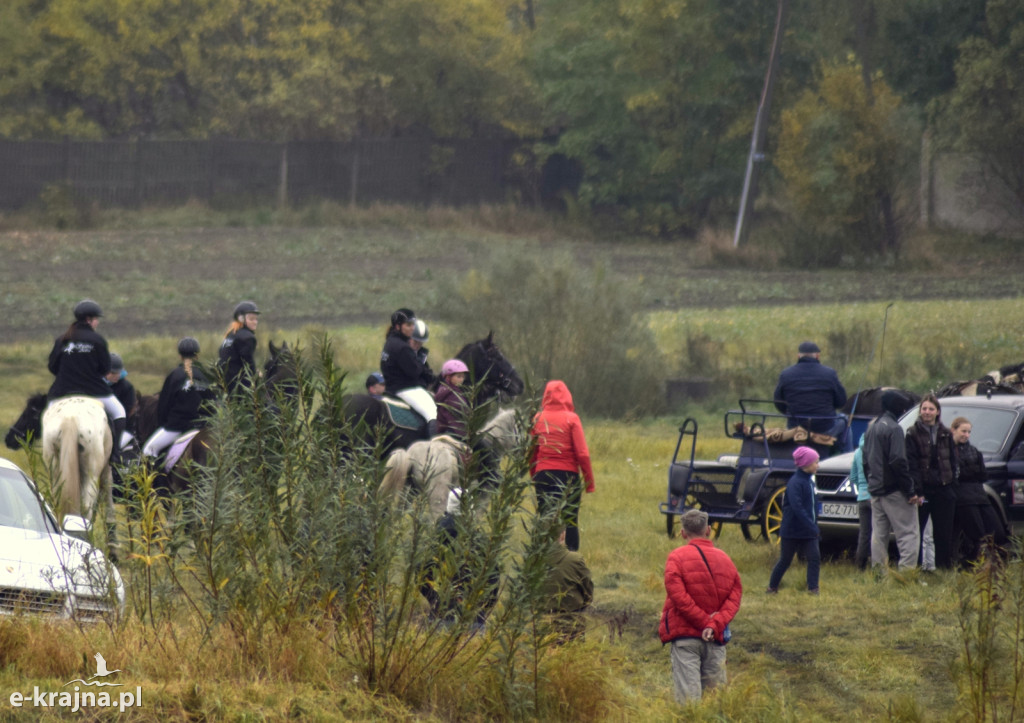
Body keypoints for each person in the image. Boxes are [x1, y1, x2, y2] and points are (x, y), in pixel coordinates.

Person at [658, 509, 743, 704]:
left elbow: (678, 597)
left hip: (685, 637)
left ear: (683, 533)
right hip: (715, 638)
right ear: (708, 530)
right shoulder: (725, 559)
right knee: (716, 703)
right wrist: (713, 625)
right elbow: (735, 596)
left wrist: (705, 623)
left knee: (689, 703)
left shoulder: (676, 557)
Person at [47, 299, 128, 464]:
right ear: (90, 319)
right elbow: (105, 369)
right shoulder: (97, 340)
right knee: (119, 412)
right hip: (94, 390)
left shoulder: (62, 339)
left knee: (48, 416)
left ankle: (48, 451)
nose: (97, 322)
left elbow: (52, 367)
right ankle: (115, 453)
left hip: (62, 391)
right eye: (97, 319)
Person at [419, 488, 499, 630]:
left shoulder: (437, 537)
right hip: (474, 620)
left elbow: (421, 571)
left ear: (449, 506)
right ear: (471, 509)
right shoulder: (479, 538)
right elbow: (493, 576)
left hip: (441, 616)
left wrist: (433, 599)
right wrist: (483, 607)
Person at [529, 380, 595, 551]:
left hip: (543, 475)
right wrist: (589, 483)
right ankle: (571, 559)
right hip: (567, 476)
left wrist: (533, 476)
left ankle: (543, 560)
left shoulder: (537, 418)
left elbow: (531, 453)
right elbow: (582, 453)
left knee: (545, 518)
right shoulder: (572, 419)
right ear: (567, 397)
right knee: (570, 519)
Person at [864, 389, 920, 571]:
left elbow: (865, 460)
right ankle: (907, 574)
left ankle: (878, 573)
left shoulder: (872, 427)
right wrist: (910, 490)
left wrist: (871, 483)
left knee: (878, 535)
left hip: (875, 490)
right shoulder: (894, 429)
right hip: (893, 490)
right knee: (908, 533)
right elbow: (898, 461)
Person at [905, 394, 957, 570]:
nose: (927, 412)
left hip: (944, 489)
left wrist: (952, 484)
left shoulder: (945, 433)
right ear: (920, 411)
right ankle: (917, 568)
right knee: (918, 530)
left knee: (943, 532)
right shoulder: (912, 433)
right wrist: (917, 490)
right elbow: (911, 464)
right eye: (924, 409)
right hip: (924, 492)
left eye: (931, 409)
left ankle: (944, 568)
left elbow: (952, 460)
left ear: (937, 412)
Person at [142, 337, 216, 459]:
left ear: (180, 355)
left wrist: (163, 425)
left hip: (177, 427)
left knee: (148, 450)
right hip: (202, 426)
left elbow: (164, 405)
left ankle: (158, 478)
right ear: (197, 355)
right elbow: (212, 402)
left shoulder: (175, 375)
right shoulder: (205, 375)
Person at [767, 447, 821, 594]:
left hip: (808, 530)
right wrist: (812, 526)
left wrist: (815, 520)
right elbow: (798, 508)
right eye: (816, 462)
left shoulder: (809, 482)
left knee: (814, 558)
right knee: (785, 560)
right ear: (806, 464)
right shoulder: (795, 483)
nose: (818, 465)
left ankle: (813, 588)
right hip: (792, 530)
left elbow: (812, 504)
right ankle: (772, 587)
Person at [950, 416, 1003, 564]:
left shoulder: (974, 451)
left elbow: (983, 474)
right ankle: (976, 562)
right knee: (977, 533)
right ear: (953, 430)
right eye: (963, 431)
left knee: (996, 530)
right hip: (963, 495)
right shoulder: (949, 451)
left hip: (979, 494)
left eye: (969, 432)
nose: (966, 435)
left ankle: (989, 562)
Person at [380, 308, 438, 435]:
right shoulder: (402, 347)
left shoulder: (390, 342)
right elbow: (415, 371)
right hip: (406, 389)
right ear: (398, 326)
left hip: (392, 387)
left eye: (413, 325)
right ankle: (434, 446)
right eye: (408, 325)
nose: (412, 328)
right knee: (432, 412)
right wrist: (429, 375)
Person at [774, 341, 848, 437]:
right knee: (844, 419)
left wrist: (791, 413)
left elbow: (779, 403)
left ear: (798, 356)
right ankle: (845, 451)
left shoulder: (786, 374)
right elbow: (841, 402)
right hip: (825, 428)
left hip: (795, 427)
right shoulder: (829, 374)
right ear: (817, 356)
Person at [538, 527, 594, 643]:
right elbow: (588, 591)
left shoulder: (534, 562)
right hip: (571, 625)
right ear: (563, 535)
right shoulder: (575, 560)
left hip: (540, 627)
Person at [218, 300, 260, 396]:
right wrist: (256, 377)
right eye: (251, 319)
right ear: (241, 318)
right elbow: (248, 364)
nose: (255, 322)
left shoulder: (231, 334)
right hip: (239, 386)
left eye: (256, 319)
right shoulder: (247, 337)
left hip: (224, 382)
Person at [104, 353, 138, 447]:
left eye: (118, 372)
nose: (117, 376)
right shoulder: (97, 385)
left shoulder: (126, 387)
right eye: (113, 373)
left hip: (122, 428)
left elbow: (128, 412)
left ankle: (116, 454)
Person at [849, 434, 872, 570]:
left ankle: (860, 566)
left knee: (864, 533)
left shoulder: (858, 452)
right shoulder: (876, 449)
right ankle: (877, 565)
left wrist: (861, 489)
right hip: (875, 497)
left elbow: (853, 476)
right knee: (878, 533)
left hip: (862, 498)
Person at [435, 359, 471, 439]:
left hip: (444, 430)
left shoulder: (445, 389)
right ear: (448, 377)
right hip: (454, 432)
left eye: (463, 377)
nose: (461, 380)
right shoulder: (452, 394)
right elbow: (461, 413)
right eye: (458, 376)